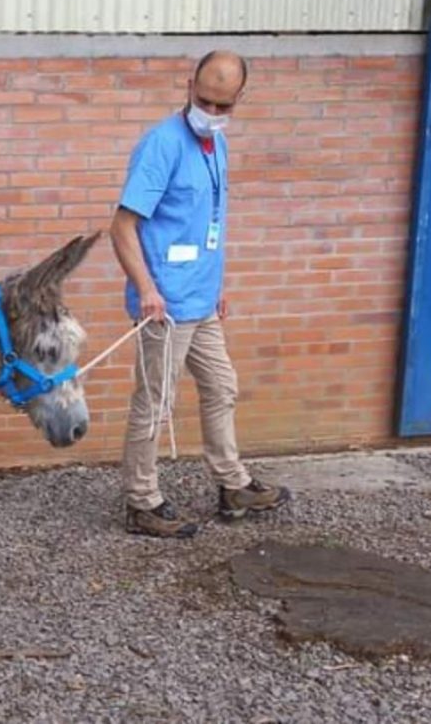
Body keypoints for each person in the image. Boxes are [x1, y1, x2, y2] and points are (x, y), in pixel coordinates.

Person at [109, 50, 291, 539]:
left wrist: (218, 285)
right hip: (165, 305)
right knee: (154, 403)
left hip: (202, 301)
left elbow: (208, 221)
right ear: (188, 84)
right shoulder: (161, 146)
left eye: (222, 105)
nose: (210, 113)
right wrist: (146, 289)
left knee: (221, 387)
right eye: (204, 100)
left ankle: (233, 485)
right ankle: (142, 502)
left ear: (239, 99)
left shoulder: (217, 145)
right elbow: (122, 227)